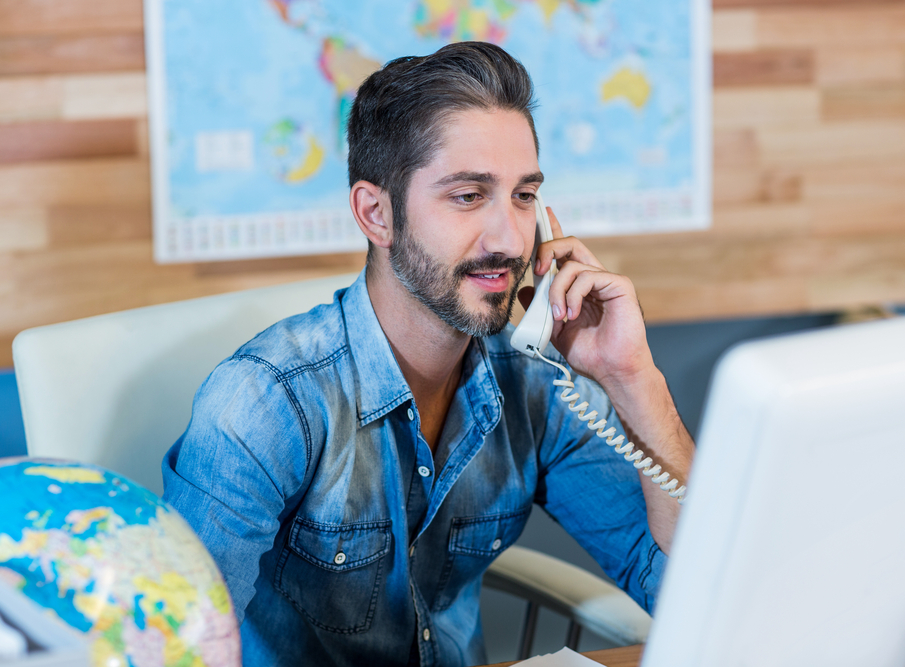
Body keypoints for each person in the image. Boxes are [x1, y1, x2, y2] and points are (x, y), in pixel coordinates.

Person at [162, 41, 694, 667]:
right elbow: (179, 653)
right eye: (469, 195)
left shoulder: (535, 383)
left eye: (523, 196)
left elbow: (692, 587)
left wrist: (632, 377)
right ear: (377, 213)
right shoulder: (264, 402)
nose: (508, 238)